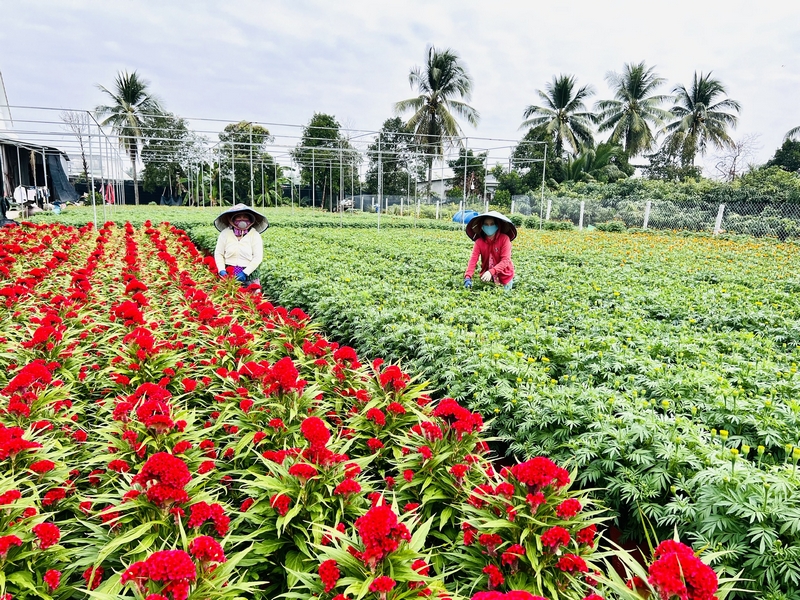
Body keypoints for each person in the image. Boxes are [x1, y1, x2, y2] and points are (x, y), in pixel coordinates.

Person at [213, 203, 269, 287]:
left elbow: (258, 257)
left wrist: (245, 272)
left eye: (245, 217)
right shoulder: (225, 233)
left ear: (250, 219)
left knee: (252, 298)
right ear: (233, 219)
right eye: (239, 216)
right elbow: (219, 254)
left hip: (249, 275)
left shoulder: (254, 235)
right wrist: (221, 270)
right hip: (229, 273)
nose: (242, 219)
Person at [463, 211, 516, 291]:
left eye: (492, 224)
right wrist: (468, 277)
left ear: (497, 226)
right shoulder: (479, 242)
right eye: (486, 224)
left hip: (504, 277)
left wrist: (491, 271)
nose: (489, 226)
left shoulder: (504, 239)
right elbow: (473, 260)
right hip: (487, 278)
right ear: (482, 226)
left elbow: (505, 260)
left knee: (504, 299)